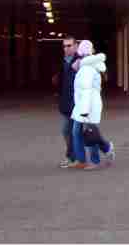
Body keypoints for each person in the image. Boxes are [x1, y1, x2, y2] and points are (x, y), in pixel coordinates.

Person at [70, 40, 114, 171]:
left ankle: (95, 160)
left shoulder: (87, 68)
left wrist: (84, 111)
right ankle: (84, 159)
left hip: (87, 106)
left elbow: (86, 90)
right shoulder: (86, 66)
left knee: (89, 133)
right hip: (84, 105)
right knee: (79, 132)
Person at [54, 36, 79, 169]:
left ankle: (72, 157)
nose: (66, 48)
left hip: (78, 103)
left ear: (76, 46)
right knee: (68, 131)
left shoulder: (81, 61)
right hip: (66, 103)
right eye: (64, 46)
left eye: (69, 45)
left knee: (72, 131)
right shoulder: (63, 61)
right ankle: (73, 157)